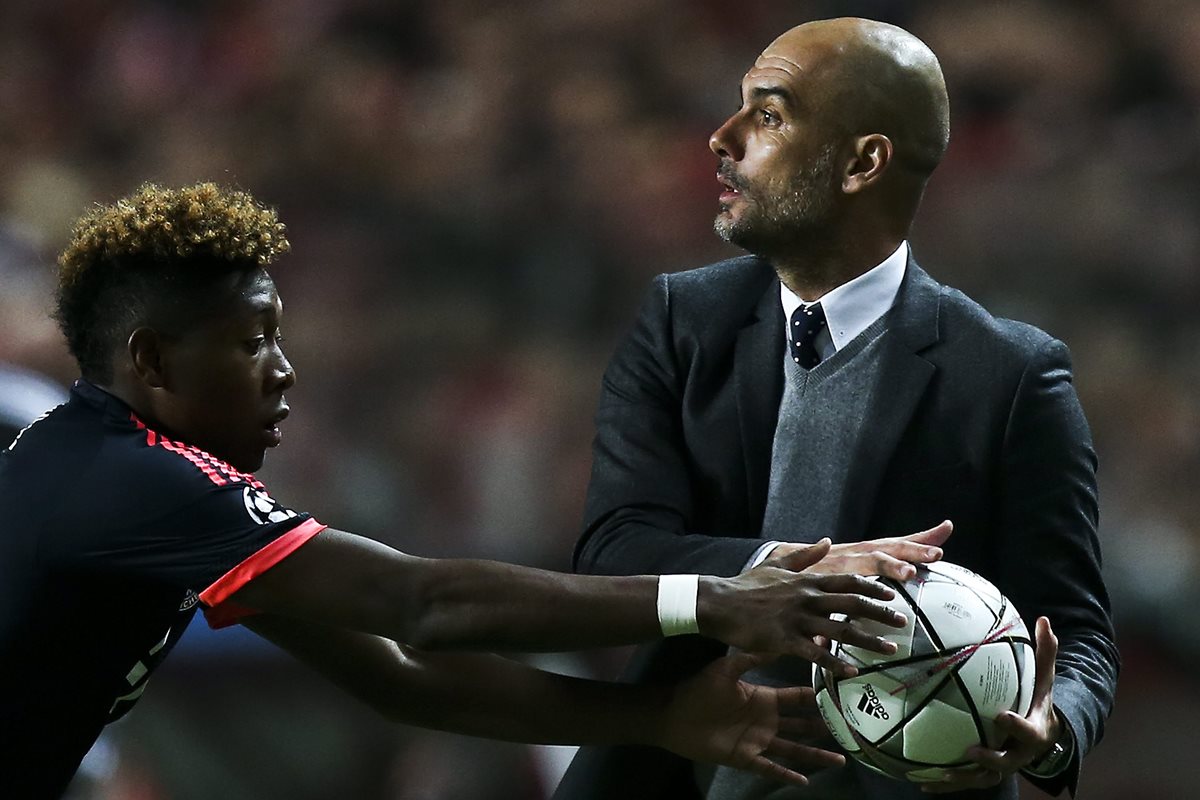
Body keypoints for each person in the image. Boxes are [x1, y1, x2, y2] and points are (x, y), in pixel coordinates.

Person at [0, 181, 952, 799]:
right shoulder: (131, 478)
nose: (284, 370)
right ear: (153, 360)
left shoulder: (140, 490)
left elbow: (399, 674)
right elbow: (426, 604)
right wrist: (720, 599)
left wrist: (657, 719)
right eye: (251, 344)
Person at [556, 17, 1117, 800]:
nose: (722, 137)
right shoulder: (681, 321)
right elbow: (615, 549)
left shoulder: (1012, 374)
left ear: (862, 162)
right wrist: (791, 573)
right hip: (677, 776)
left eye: (770, 114)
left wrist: (1052, 731)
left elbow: (1079, 633)